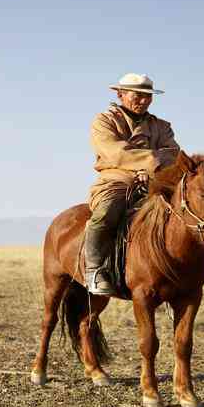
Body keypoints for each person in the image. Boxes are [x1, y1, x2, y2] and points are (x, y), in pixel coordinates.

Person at [85, 73, 181, 295]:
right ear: (120, 94)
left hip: (155, 181)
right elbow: (115, 152)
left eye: (148, 96)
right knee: (105, 212)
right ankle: (95, 270)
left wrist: (153, 171)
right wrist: (151, 162)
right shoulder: (105, 121)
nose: (144, 101)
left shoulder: (161, 126)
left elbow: (174, 154)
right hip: (115, 180)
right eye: (138, 95)